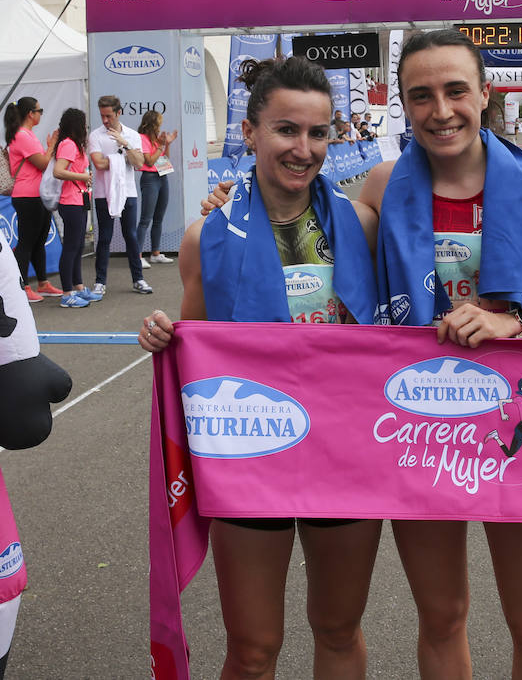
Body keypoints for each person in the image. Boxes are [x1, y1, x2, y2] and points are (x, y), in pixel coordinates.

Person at [359, 29, 522, 679]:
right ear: (404, 107)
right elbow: (324, 271)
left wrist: (514, 325)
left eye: (457, 90)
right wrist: (223, 219)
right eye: (422, 95)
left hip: (511, 422)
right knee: (440, 618)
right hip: (422, 427)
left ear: (486, 94)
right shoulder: (379, 187)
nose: (441, 110)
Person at [139, 55, 382, 680]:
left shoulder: (359, 223)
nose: (304, 149)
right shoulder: (205, 236)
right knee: (252, 648)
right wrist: (165, 335)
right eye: (286, 130)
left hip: (343, 449)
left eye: (318, 132)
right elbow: (196, 346)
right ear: (249, 133)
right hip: (251, 449)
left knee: (337, 629)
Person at [87, 95, 152, 295]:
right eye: (102, 116)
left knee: (130, 236)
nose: (105, 120)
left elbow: (140, 163)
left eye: (108, 116)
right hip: (103, 193)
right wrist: (123, 158)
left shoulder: (132, 135)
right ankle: (100, 282)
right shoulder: (96, 136)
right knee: (104, 237)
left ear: (118, 113)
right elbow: (98, 163)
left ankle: (138, 279)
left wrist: (125, 145)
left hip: (128, 192)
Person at [4, 95, 62, 303]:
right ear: (31, 113)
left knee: (38, 241)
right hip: (27, 195)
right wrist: (53, 145)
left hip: (36, 194)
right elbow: (43, 163)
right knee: (27, 242)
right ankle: (24, 286)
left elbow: (42, 160)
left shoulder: (26, 134)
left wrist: (48, 147)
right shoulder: (23, 136)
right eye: (39, 111)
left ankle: (43, 282)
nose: (40, 114)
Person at [51, 107, 101, 309]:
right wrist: (82, 177)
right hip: (70, 201)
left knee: (78, 245)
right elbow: (58, 171)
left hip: (79, 199)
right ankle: (67, 293)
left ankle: (78, 287)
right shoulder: (68, 145)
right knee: (71, 247)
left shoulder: (74, 145)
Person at [135, 109, 178, 269]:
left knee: (159, 218)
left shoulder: (155, 141)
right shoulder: (143, 139)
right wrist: (161, 145)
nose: (160, 128)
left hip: (162, 176)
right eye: (158, 124)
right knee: (146, 219)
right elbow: (150, 161)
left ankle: (155, 253)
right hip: (149, 179)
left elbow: (164, 159)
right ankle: (137, 256)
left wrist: (167, 144)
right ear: (152, 124)